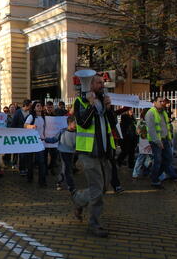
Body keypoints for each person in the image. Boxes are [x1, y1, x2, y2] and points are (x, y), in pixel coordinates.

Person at [71, 74, 117, 238]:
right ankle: (94, 225)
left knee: (104, 186)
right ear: (90, 85)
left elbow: (112, 124)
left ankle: (78, 198)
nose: (102, 84)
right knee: (97, 190)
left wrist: (109, 109)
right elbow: (82, 123)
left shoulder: (104, 101)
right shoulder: (80, 102)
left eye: (102, 82)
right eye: (98, 82)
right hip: (88, 153)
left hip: (104, 153)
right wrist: (91, 105)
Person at [145, 96, 177, 189]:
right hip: (156, 141)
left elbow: (167, 127)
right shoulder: (150, 113)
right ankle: (155, 180)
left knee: (168, 159)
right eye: (160, 101)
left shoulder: (163, 112)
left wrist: (169, 139)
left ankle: (154, 175)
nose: (162, 103)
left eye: (162, 101)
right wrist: (158, 141)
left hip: (165, 139)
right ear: (154, 102)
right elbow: (151, 130)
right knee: (158, 160)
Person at [23, 101, 47, 187]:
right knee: (30, 161)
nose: (40, 107)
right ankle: (29, 177)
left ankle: (42, 181)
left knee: (41, 162)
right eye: (37, 106)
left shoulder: (43, 117)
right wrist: (31, 126)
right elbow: (25, 125)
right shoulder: (31, 116)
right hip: (32, 142)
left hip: (41, 142)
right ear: (34, 108)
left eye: (40, 105)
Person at [11, 99, 32, 175]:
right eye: (30, 105)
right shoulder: (18, 112)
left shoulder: (30, 112)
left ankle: (26, 167)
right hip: (19, 135)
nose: (31, 106)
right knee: (21, 153)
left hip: (28, 135)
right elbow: (13, 124)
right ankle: (22, 169)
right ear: (27, 105)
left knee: (26, 153)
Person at [57, 116, 77, 192]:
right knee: (67, 169)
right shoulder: (62, 131)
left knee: (65, 169)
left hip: (71, 153)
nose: (76, 125)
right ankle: (71, 187)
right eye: (74, 123)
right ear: (69, 123)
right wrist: (46, 139)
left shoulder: (76, 132)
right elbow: (55, 139)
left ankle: (59, 181)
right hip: (62, 152)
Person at [132, 108, 153, 179]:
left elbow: (137, 132)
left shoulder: (140, 122)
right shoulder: (149, 121)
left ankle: (137, 173)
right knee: (147, 158)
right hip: (147, 142)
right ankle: (138, 172)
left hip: (143, 142)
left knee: (144, 158)